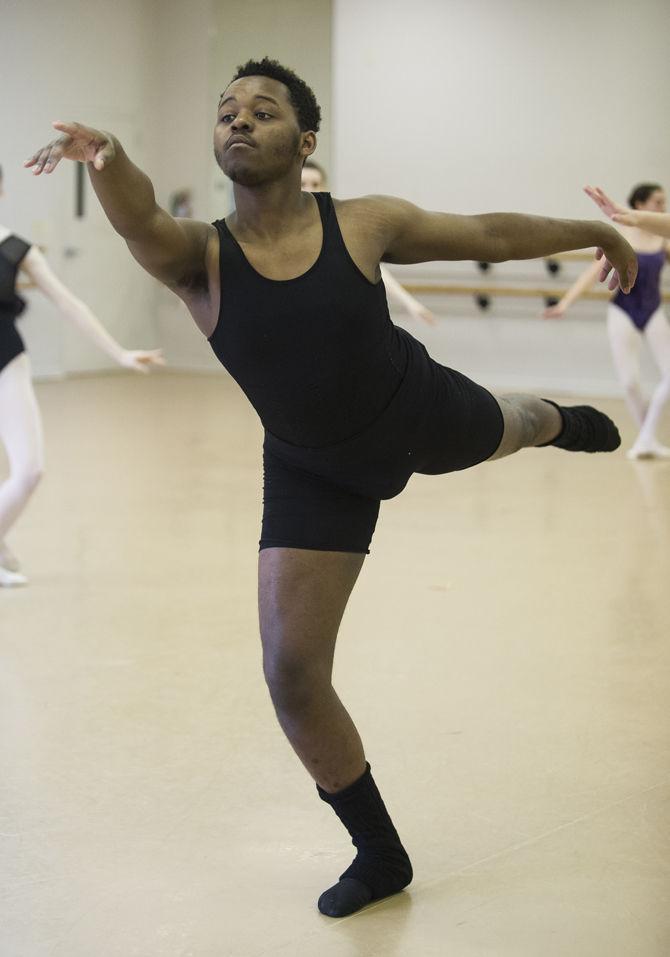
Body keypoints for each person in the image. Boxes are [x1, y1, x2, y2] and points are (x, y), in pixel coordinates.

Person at [25, 58, 636, 917]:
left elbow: (488, 233)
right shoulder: (198, 258)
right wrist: (108, 156)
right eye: (227, 109)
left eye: (264, 111)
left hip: (418, 411)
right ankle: (380, 852)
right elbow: (137, 217)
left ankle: (559, 421)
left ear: (305, 141)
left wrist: (595, 230)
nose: (239, 120)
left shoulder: (363, 223)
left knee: (520, 422)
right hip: (312, 469)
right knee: (292, 671)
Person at [0, 163, 163, 586]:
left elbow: (70, 304)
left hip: (6, 362)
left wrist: (119, 353)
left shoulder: (17, 249)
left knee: (30, 470)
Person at [545, 183, 670, 459]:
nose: (662, 207)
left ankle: (647, 438)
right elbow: (592, 274)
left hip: (653, 310)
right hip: (623, 310)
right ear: (640, 204)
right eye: (657, 202)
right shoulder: (622, 236)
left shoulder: (663, 240)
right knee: (629, 382)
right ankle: (647, 439)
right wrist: (565, 302)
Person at [302, 159, 436, 325]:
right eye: (302, 184)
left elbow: (370, 267)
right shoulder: (275, 227)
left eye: (315, 184)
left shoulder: (336, 225)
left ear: (324, 186)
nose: (309, 189)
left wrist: (410, 303)